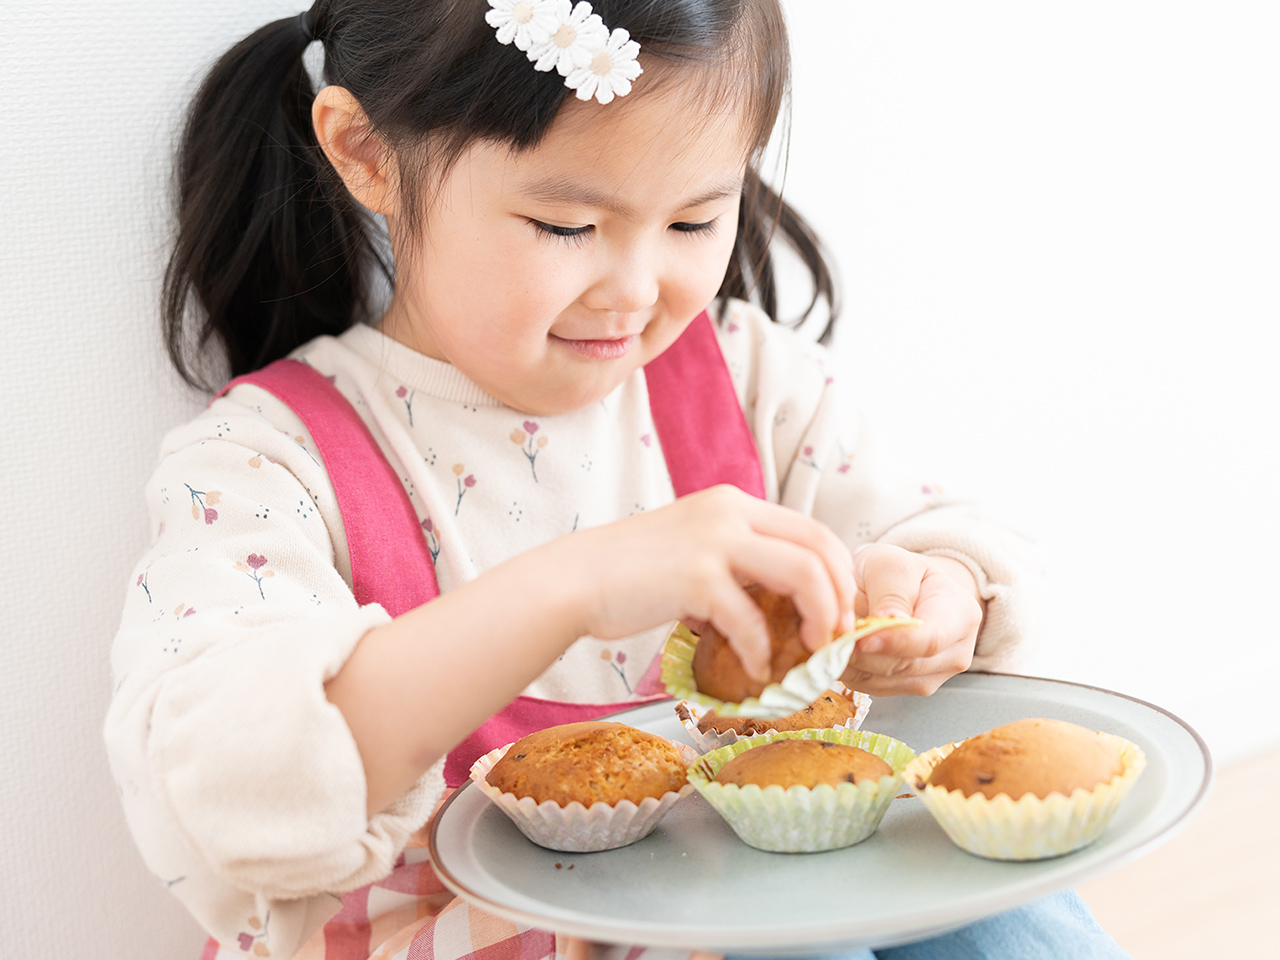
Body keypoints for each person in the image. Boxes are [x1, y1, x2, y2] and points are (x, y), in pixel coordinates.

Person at [105, 2, 1128, 958]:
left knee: (1007, 911)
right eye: (564, 227)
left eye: (692, 223)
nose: (635, 292)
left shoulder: (748, 378)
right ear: (366, 152)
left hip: (745, 903)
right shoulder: (265, 463)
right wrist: (574, 586)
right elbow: (221, 798)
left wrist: (936, 589)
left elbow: (934, 529)